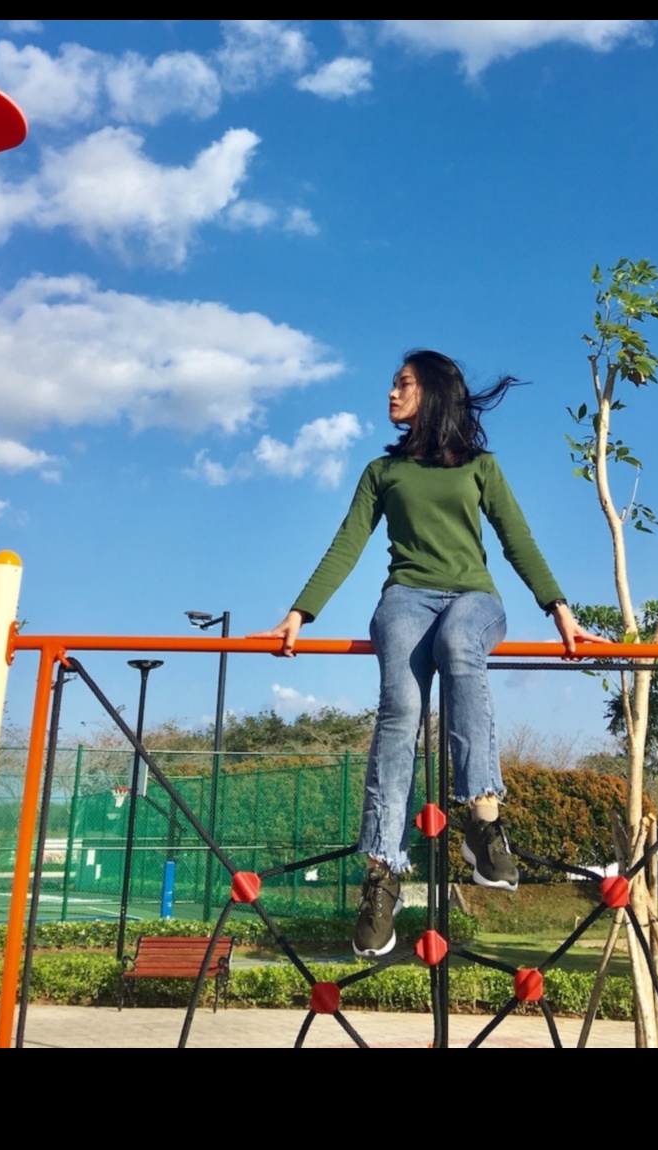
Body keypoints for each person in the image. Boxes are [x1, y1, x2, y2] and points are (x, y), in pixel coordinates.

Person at [251, 350, 605, 957]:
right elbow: (347, 544)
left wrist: (561, 613)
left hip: (474, 599)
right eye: (392, 383)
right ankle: (382, 877)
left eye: (403, 384)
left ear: (433, 393)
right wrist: (298, 615)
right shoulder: (381, 472)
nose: (391, 393)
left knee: (460, 643)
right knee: (398, 716)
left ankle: (483, 821)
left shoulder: (480, 467)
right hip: (405, 599)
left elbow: (517, 538)